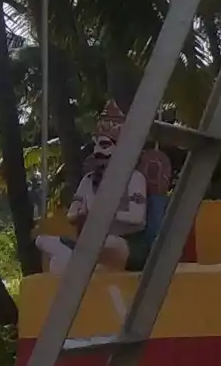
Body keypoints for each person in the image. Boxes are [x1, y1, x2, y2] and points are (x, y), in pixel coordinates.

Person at [35, 106, 147, 274]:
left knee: (107, 243)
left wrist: (102, 215)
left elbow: (138, 218)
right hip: (91, 240)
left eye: (104, 145)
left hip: (124, 243)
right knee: (42, 241)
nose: (97, 151)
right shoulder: (88, 180)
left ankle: (74, 256)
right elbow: (71, 215)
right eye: (95, 145)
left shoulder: (134, 178)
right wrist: (80, 215)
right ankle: (76, 260)